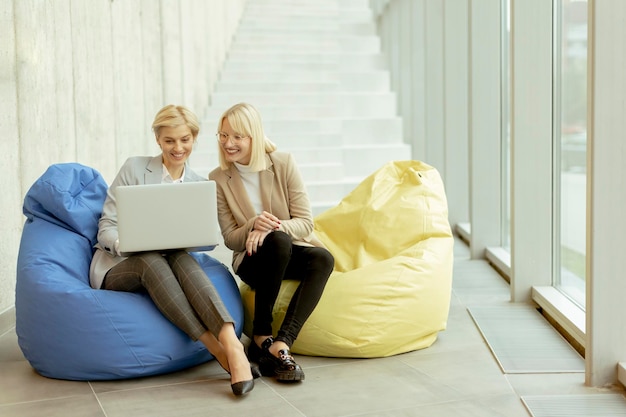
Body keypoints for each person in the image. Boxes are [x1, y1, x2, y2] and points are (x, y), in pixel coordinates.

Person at [89, 104, 255, 396]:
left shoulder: (198, 185)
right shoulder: (134, 168)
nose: (178, 148)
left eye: (185, 140)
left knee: (181, 257)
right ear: (158, 140)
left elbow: (204, 238)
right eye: (169, 141)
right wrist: (125, 244)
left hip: (172, 262)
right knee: (151, 259)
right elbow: (106, 227)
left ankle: (230, 344)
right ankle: (216, 347)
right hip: (120, 266)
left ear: (194, 138)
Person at [209, 102, 335, 382]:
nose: (228, 143)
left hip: (288, 249)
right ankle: (261, 334)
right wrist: (253, 225)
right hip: (252, 260)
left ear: (253, 136)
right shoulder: (218, 179)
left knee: (323, 258)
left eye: (237, 137)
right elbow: (230, 239)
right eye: (223, 135)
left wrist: (270, 227)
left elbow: (305, 222)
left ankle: (282, 342)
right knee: (277, 242)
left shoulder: (283, 163)